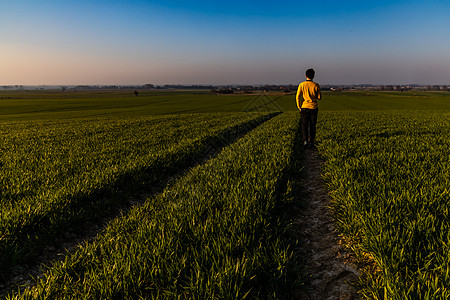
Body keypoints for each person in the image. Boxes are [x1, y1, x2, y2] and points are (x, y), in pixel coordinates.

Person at [296, 68, 322, 149]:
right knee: (312, 125)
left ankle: (305, 141)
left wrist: (299, 106)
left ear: (306, 75)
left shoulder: (302, 85)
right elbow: (319, 97)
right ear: (313, 76)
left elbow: (298, 96)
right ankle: (311, 142)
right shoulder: (316, 85)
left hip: (304, 107)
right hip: (314, 107)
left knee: (304, 125)